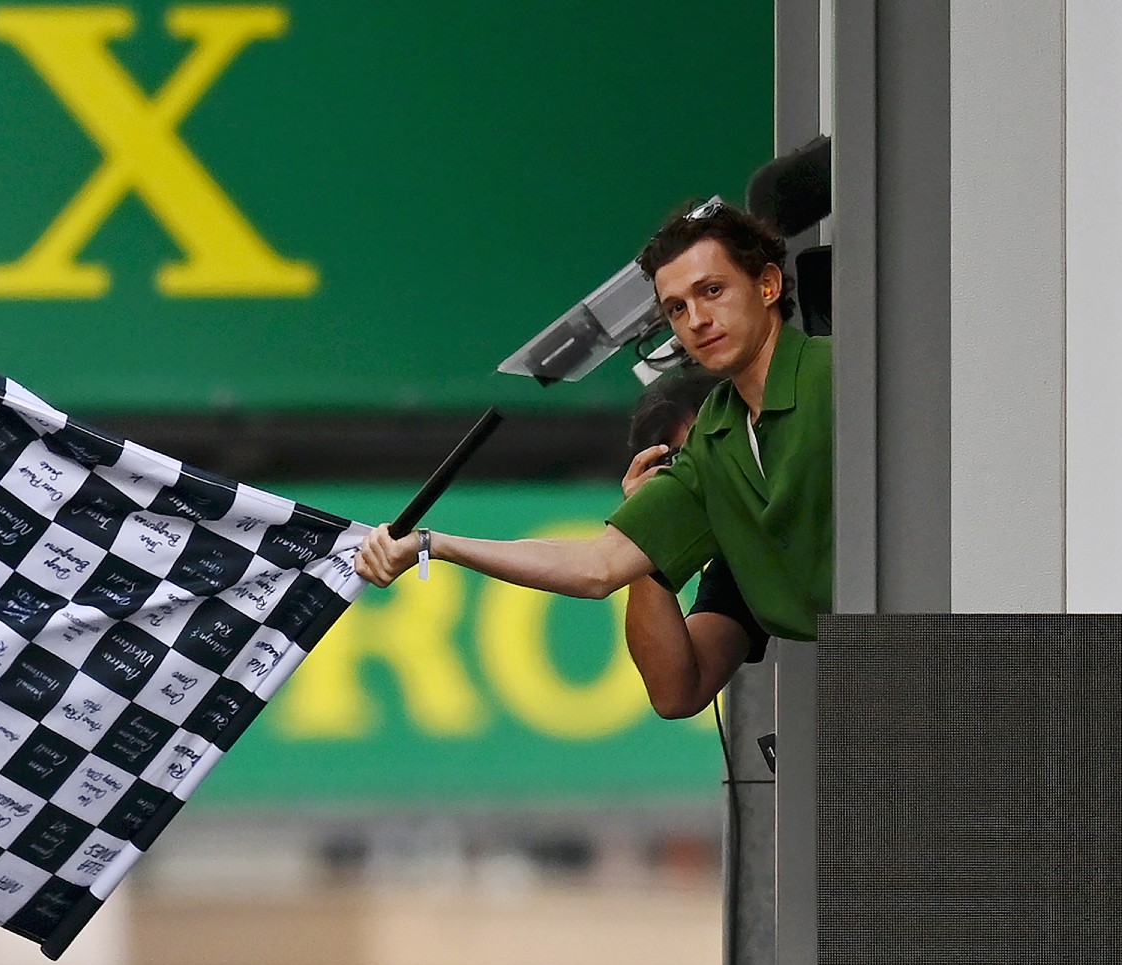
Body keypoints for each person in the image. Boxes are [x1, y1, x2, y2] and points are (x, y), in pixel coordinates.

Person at [356, 200, 832, 645]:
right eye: (676, 308)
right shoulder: (714, 430)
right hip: (858, 653)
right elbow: (600, 566)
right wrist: (433, 543)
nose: (697, 320)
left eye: (712, 290)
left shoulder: (836, 375)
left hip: (895, 626)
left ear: (768, 286)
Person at [621, 369, 769, 719]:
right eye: (678, 464)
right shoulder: (740, 560)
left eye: (709, 450)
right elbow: (674, 695)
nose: (697, 477)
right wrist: (645, 524)